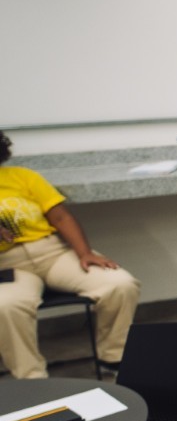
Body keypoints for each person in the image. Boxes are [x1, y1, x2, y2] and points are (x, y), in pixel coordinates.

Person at [0, 131, 140, 379]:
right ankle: (32, 379)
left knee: (119, 284)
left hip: (53, 252)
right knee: (6, 306)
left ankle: (114, 358)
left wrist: (85, 253)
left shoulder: (23, 177)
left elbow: (61, 217)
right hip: (7, 265)